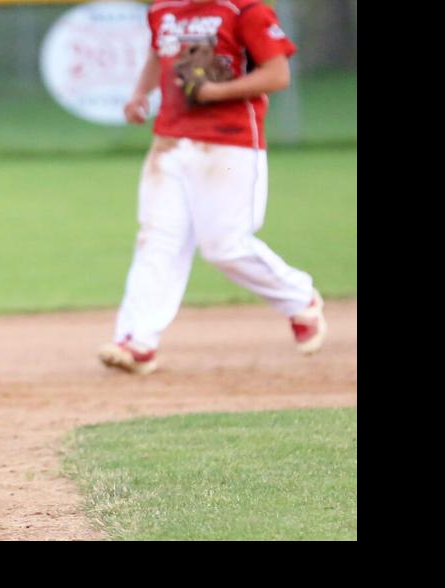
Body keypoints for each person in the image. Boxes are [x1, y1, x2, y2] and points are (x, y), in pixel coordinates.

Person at [99, 0, 325, 376]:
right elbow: (160, 54)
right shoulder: (162, 8)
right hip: (170, 140)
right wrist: (141, 93)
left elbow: (277, 74)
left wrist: (216, 93)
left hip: (230, 141)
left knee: (224, 246)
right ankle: (136, 341)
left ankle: (300, 298)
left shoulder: (244, 9)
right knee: (157, 238)